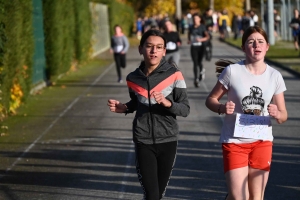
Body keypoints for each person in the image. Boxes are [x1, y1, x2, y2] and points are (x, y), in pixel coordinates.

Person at [205, 26, 288, 200]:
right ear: (244, 48)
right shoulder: (232, 72)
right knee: (239, 198)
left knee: (256, 197)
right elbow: (211, 100)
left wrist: (277, 113)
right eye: (251, 42)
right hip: (234, 142)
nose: (256, 45)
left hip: (262, 142)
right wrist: (221, 107)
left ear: (267, 47)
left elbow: (283, 115)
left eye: (260, 42)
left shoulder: (275, 76)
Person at [107, 29, 190, 200]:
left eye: (159, 47)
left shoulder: (175, 75)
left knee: (158, 194)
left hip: (168, 139)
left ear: (164, 51)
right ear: (140, 49)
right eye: (149, 46)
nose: (154, 51)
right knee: (152, 195)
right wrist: (125, 107)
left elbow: (185, 109)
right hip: (143, 140)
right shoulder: (133, 78)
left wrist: (168, 104)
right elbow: (138, 102)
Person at [188, 13, 210, 87]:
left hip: (201, 47)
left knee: (199, 62)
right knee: (195, 63)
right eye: (194, 19)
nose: (195, 20)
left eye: (196, 18)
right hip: (194, 46)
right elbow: (189, 35)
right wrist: (189, 40)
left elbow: (207, 37)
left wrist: (201, 39)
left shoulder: (202, 27)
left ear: (200, 19)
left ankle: (201, 70)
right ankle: (196, 79)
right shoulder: (191, 27)